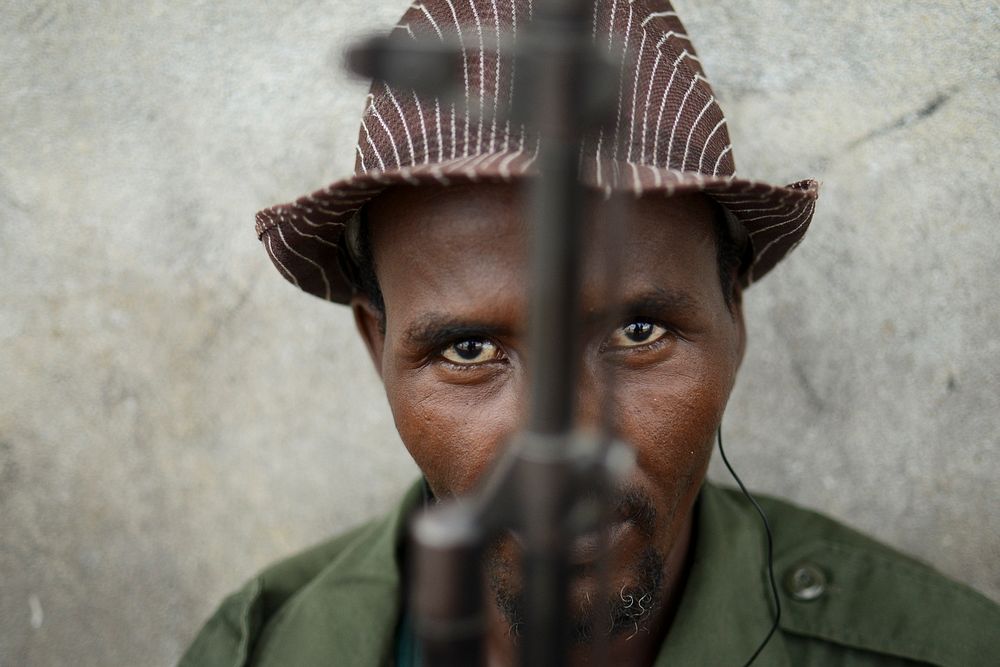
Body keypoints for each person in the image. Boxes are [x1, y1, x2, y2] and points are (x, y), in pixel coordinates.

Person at [181, 1, 999, 664]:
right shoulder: (258, 647)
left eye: (638, 331)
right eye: (468, 349)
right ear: (376, 348)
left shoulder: (945, 651)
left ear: (735, 323)